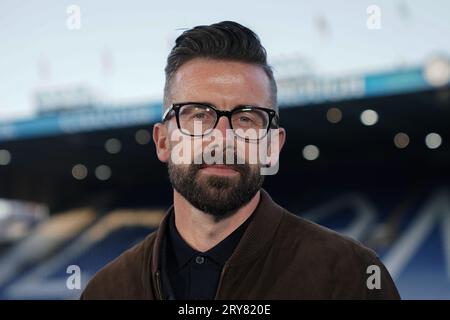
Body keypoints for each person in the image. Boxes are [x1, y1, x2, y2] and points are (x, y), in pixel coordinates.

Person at [80, 21, 400, 300]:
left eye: (246, 119)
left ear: (272, 146)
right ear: (163, 141)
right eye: (198, 115)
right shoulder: (107, 290)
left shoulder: (350, 277)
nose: (222, 137)